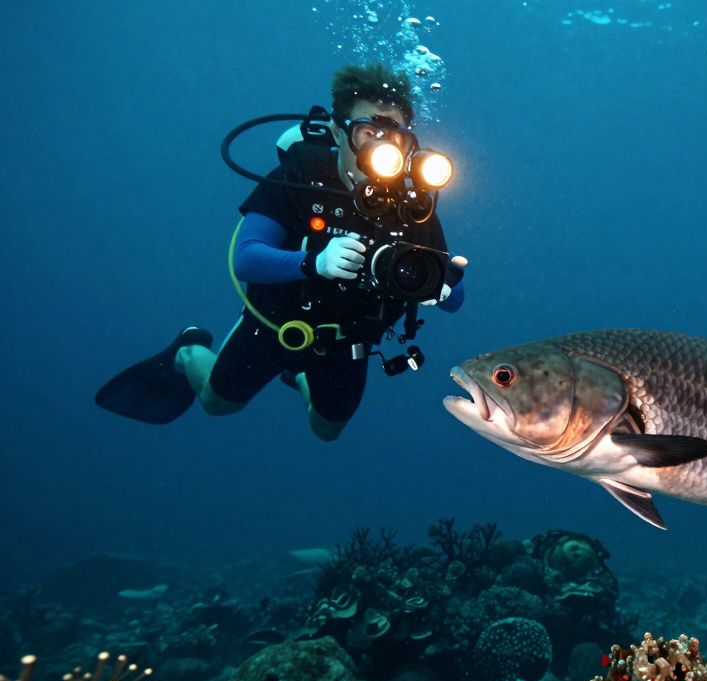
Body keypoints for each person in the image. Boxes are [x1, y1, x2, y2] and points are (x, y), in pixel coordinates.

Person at [96, 63, 466, 441]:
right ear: (339, 132)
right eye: (368, 132)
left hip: (347, 343)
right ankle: (188, 350)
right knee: (217, 403)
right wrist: (313, 262)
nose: (382, 149)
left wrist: (443, 287)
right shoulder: (303, 174)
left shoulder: (410, 204)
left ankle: (300, 374)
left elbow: (453, 294)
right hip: (273, 325)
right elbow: (247, 258)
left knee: (327, 430)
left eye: (395, 137)